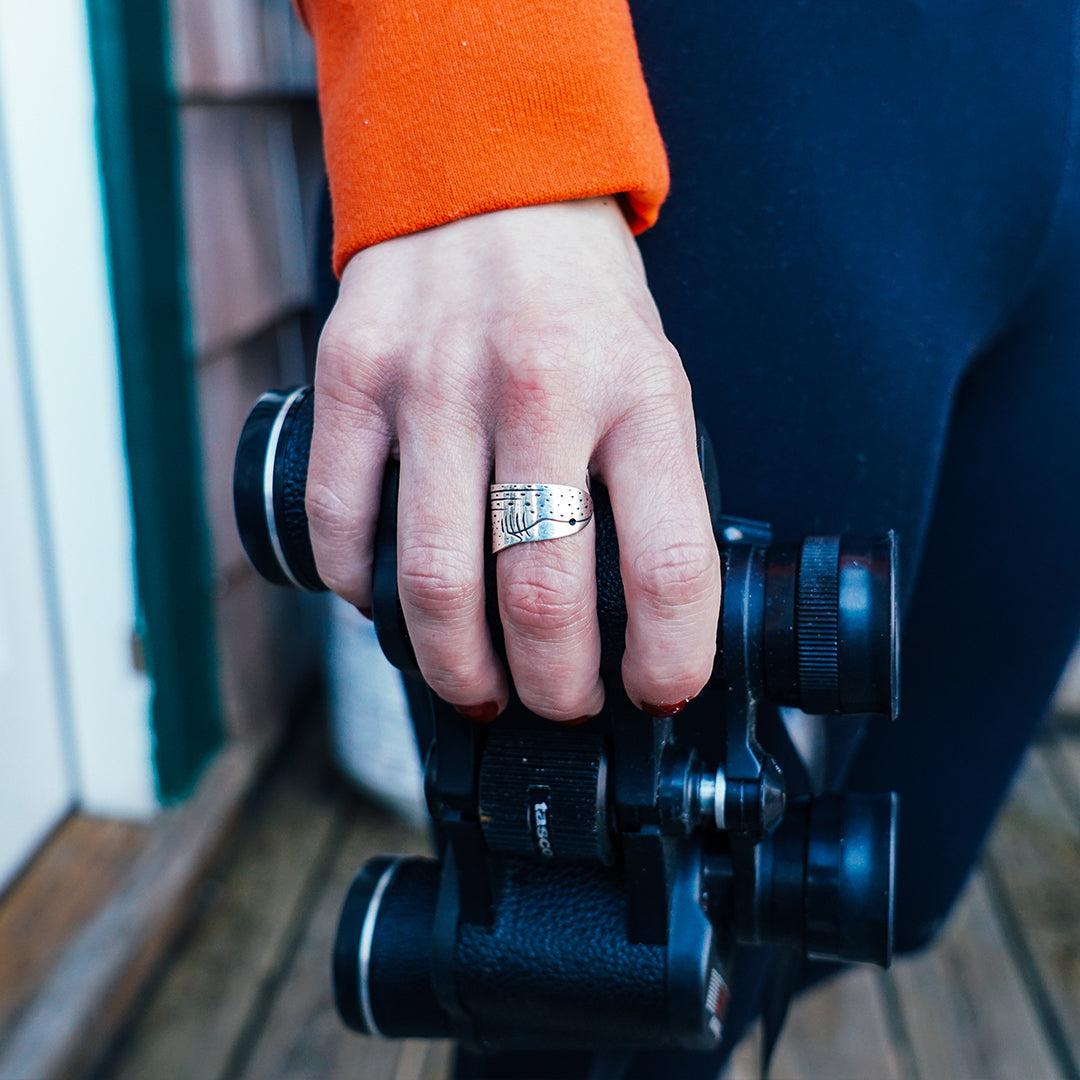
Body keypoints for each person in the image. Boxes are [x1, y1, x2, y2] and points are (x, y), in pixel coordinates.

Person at [294, 0, 1080, 1075]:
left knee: (892, 881)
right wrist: (478, 119)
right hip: (706, 102)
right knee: (606, 996)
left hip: (1039, 78)